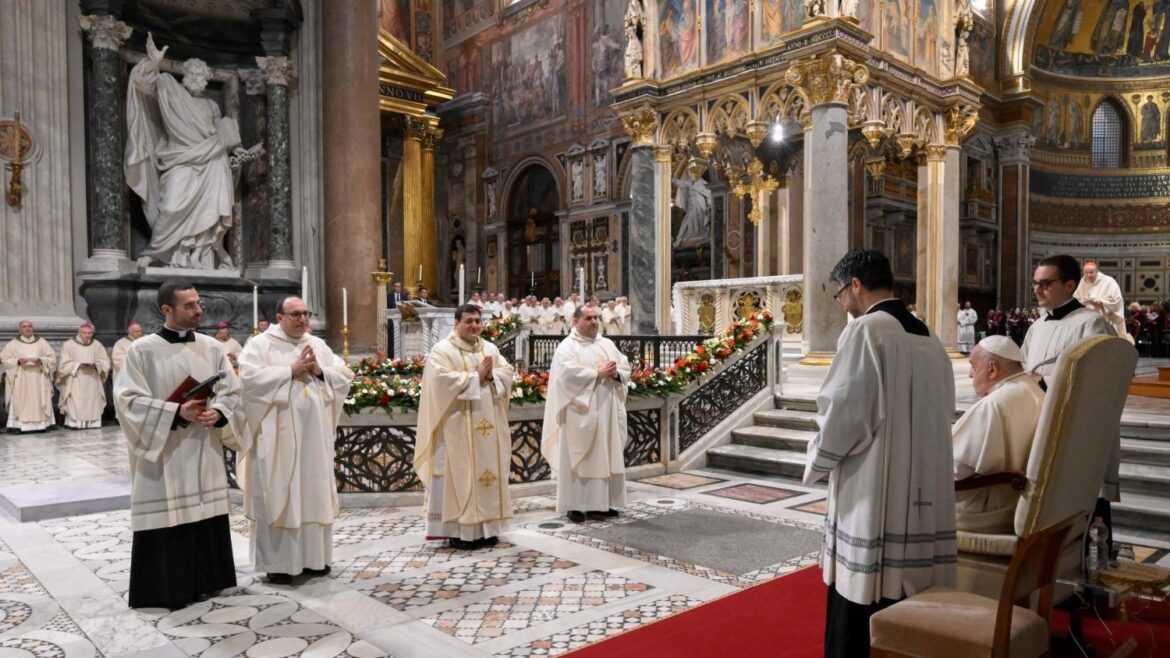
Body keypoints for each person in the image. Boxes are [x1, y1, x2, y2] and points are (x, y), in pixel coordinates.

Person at [803, 249, 956, 658]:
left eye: (840, 293)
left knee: (862, 596)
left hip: (874, 491)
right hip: (922, 482)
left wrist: (818, 452)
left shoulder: (866, 331)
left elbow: (846, 413)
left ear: (855, 285)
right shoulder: (930, 337)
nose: (841, 303)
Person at [113, 279, 247, 609]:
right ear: (167, 310)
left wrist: (218, 412)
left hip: (202, 446)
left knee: (206, 510)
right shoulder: (141, 350)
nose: (198, 310)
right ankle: (168, 589)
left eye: (198, 303)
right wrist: (175, 411)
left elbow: (233, 391)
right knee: (166, 515)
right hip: (165, 453)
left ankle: (208, 581)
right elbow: (127, 401)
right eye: (190, 306)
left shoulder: (212, 348)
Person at [238, 296, 354, 585]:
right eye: (295, 315)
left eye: (306, 314)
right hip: (276, 438)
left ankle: (315, 560)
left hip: (314, 438)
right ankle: (279, 563)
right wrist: (289, 371)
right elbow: (248, 382)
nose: (303, 320)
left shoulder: (317, 345)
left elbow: (345, 374)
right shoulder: (260, 345)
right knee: (280, 492)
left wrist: (318, 371)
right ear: (279, 317)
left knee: (312, 492)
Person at [1020, 254, 1118, 546]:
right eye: (1035, 283)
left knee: (1085, 516)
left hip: (1078, 435)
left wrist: (1046, 383)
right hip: (1040, 427)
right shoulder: (1037, 327)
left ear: (1069, 285)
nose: (1037, 290)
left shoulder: (1092, 325)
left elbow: (1103, 383)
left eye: (1046, 283)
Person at [125, 34, 244, 270]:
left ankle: (199, 255)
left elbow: (223, 131)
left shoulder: (211, 105)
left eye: (203, 76)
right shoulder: (168, 88)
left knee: (209, 213)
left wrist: (238, 149)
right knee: (170, 206)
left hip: (211, 162)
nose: (199, 79)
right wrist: (153, 62)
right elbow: (142, 83)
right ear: (186, 74)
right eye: (195, 74)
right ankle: (157, 251)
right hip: (178, 160)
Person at [414, 304, 515, 549]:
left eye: (478, 321)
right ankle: (459, 532)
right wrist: (474, 376)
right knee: (459, 475)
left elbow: (507, 371)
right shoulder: (442, 351)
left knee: (488, 473)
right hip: (455, 426)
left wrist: (492, 376)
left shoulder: (489, 348)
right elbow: (438, 382)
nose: (474, 326)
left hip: (487, 423)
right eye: (469, 321)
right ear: (456, 323)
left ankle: (489, 529)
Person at [542, 306, 631, 523]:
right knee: (580, 458)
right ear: (576, 321)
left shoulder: (606, 344)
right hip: (579, 413)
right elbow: (566, 375)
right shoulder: (567, 347)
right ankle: (575, 505)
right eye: (588, 318)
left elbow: (624, 365)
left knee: (606, 455)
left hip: (607, 411)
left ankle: (603, 504)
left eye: (596, 318)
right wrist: (596, 374)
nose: (594, 322)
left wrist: (617, 373)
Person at [952, 336, 1045, 533]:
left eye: (973, 367)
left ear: (992, 369)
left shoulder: (995, 404)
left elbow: (956, 472)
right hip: (1018, 502)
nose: (970, 374)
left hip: (986, 511)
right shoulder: (1035, 392)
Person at [2, 320, 57, 433]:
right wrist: (17, 361)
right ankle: (18, 426)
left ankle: (42, 425)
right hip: (21, 377)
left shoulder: (42, 342)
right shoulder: (13, 344)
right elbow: (4, 358)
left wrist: (41, 360)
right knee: (20, 399)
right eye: (24, 327)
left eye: (29, 326)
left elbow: (52, 358)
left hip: (38, 377)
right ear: (20, 329)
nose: (27, 328)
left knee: (39, 398)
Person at [57, 323, 111, 430]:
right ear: (79, 333)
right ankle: (74, 423)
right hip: (76, 378)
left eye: (90, 333)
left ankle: (93, 423)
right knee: (76, 400)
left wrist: (96, 365)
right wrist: (77, 364)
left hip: (92, 378)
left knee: (92, 400)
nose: (87, 335)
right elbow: (63, 364)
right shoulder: (69, 344)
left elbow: (105, 361)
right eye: (84, 333)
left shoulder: (97, 345)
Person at [1074, 259, 1128, 341]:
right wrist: (1084, 303)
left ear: (1097, 271)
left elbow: (1117, 300)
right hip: (1087, 321)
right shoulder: (1082, 282)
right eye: (1086, 273)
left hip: (1106, 320)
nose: (1088, 275)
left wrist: (1101, 303)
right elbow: (1076, 298)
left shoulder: (1109, 281)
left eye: (1091, 272)